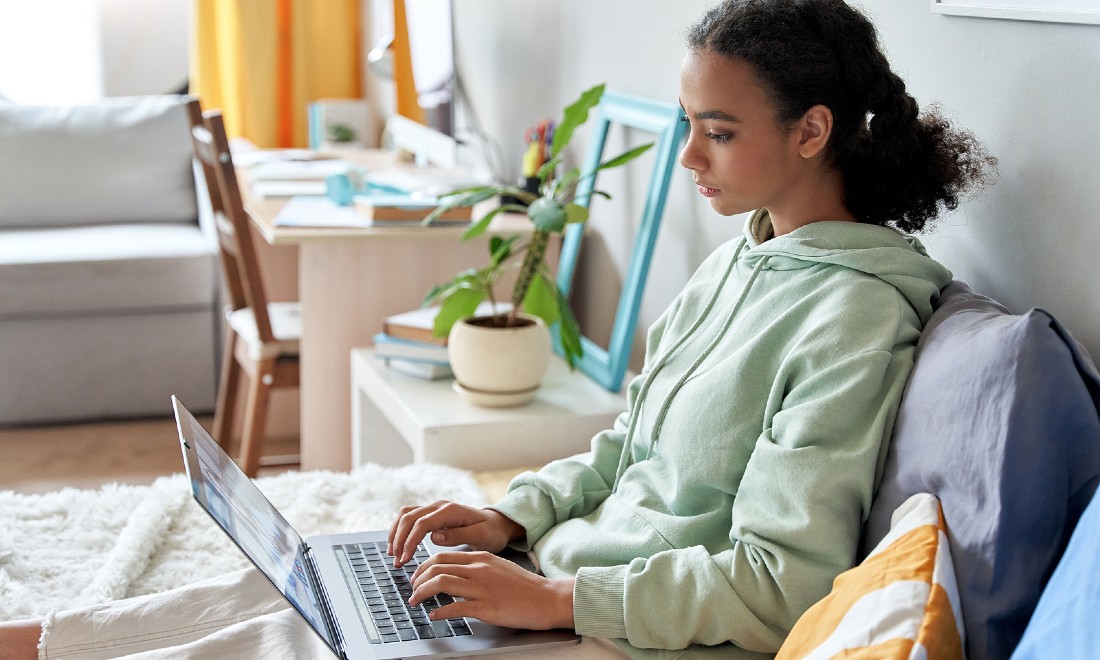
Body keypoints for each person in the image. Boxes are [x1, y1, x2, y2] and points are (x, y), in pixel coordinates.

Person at [0, 0, 993, 658]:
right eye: (687, 123)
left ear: (810, 131)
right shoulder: (750, 252)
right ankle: (40, 640)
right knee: (306, 583)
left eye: (716, 132)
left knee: (298, 638)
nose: (687, 158)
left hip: (622, 632)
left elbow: (783, 581)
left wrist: (555, 604)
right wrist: (514, 518)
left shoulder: (851, 314)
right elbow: (627, 451)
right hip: (562, 578)